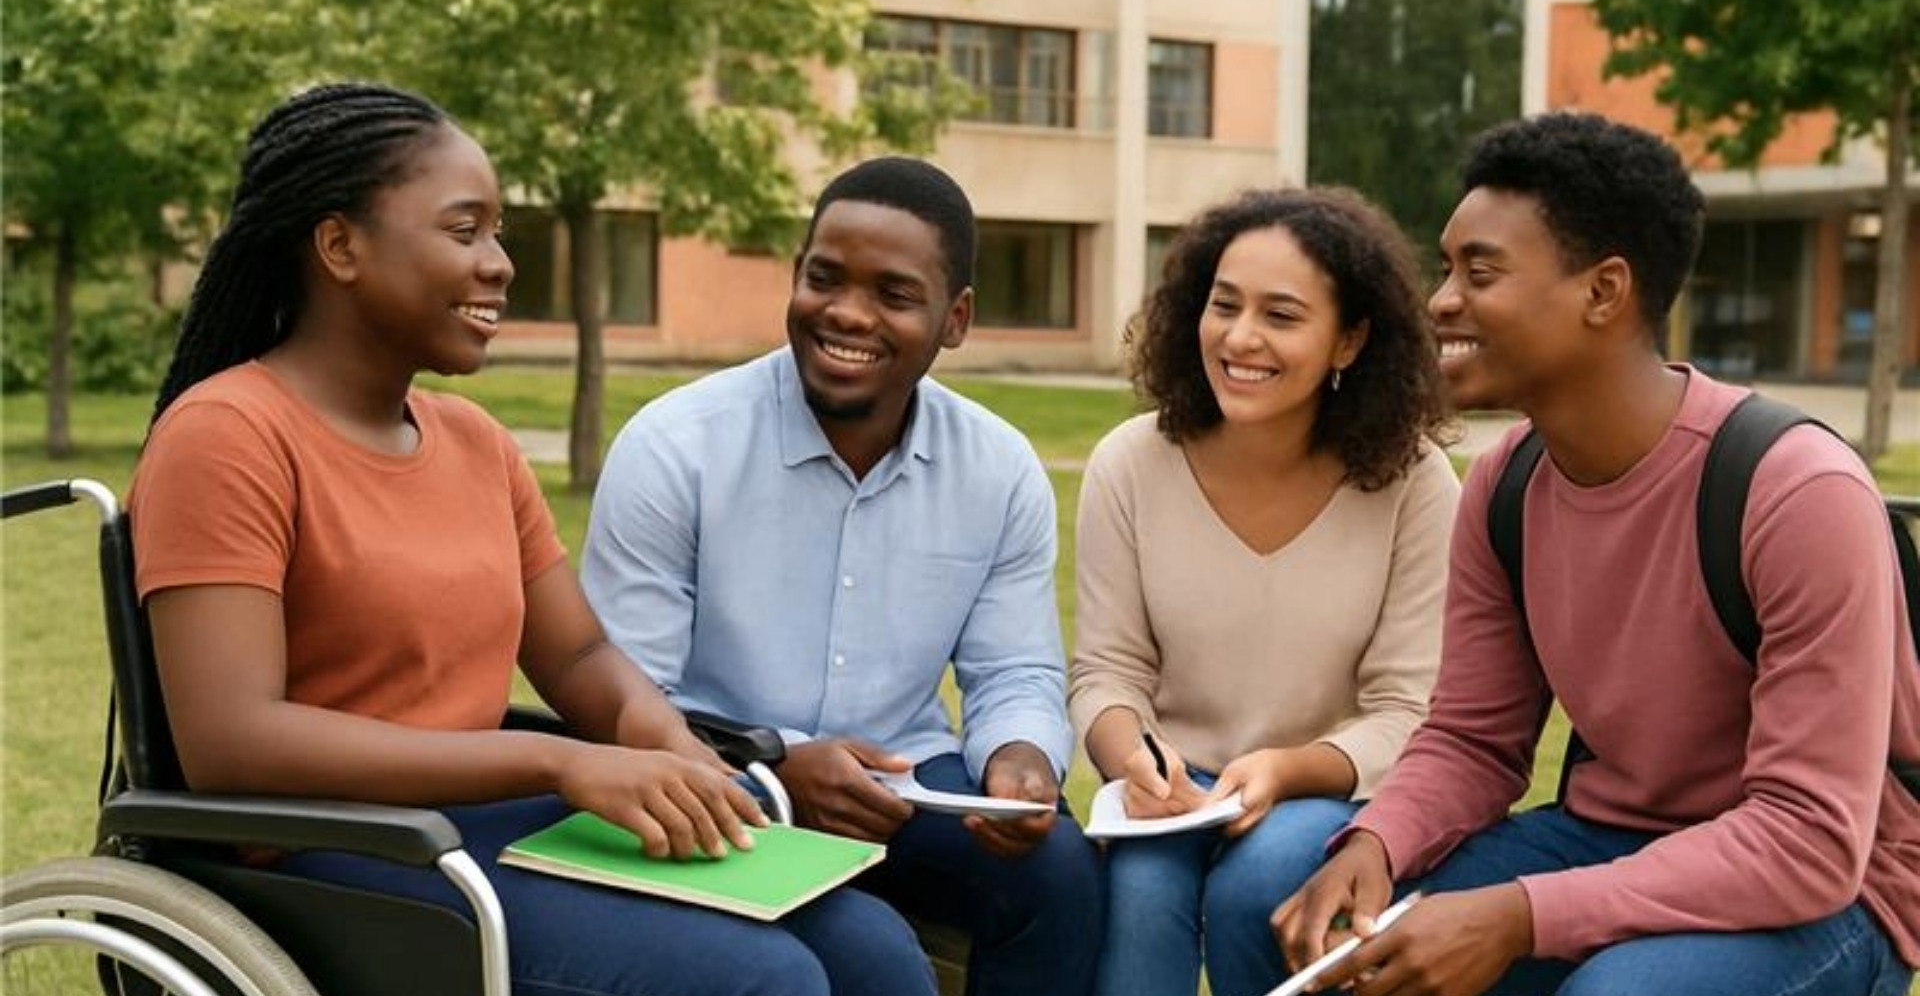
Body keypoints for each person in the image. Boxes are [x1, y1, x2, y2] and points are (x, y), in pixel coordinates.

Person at [130, 82, 937, 996]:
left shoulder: (476, 445)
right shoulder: (228, 435)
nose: (501, 263)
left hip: (482, 825)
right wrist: (559, 759)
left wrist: (667, 745)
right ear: (339, 245)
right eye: (464, 230)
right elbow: (233, 742)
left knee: (873, 951)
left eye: (498, 232)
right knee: (762, 982)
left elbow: (583, 654)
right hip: (334, 858)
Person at [1273, 112, 1920, 996]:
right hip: (1608, 835)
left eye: (1481, 271)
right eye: (1447, 266)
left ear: (1604, 291)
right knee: (1283, 909)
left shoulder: (1797, 491)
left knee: (1621, 991)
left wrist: (1522, 915)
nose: (1439, 300)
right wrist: (1377, 842)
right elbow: (1473, 737)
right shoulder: (1505, 486)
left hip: (1829, 899)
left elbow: (1808, 839)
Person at [580, 155, 1103, 996]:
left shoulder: (998, 469)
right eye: (824, 279)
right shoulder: (677, 447)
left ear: (955, 318)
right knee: (870, 954)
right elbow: (619, 698)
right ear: (796, 277)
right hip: (714, 789)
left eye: (894, 295)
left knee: (1061, 876)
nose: (847, 314)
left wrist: (1021, 757)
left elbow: (1013, 670)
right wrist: (776, 767)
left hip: (907, 790)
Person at [1068, 187, 1460, 996]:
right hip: (1175, 789)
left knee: (1267, 880)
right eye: (1224, 305)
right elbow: (1107, 670)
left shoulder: (1414, 483)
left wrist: (1286, 770)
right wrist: (1132, 760)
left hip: (1330, 790)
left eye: (1281, 316)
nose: (1241, 338)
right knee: (1138, 885)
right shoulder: (1129, 463)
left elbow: (1408, 712)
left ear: (1348, 341)